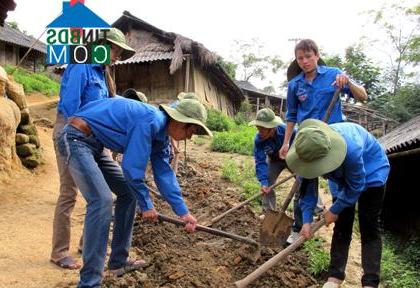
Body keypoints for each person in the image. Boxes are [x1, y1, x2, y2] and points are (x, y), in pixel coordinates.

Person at [57, 97, 211, 287]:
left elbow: (164, 174)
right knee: (102, 201)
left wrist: (183, 212)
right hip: (76, 138)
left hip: (95, 145)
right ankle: (89, 282)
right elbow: (131, 168)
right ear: (179, 122)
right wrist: (146, 205)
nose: (190, 137)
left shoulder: (161, 137)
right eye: (192, 131)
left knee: (128, 194)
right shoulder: (150, 120)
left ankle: (118, 262)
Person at [50, 28, 135, 270]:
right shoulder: (81, 65)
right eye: (115, 49)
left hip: (95, 138)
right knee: (69, 192)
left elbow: (108, 109)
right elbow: (70, 107)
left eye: (119, 51)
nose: (117, 55)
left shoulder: (105, 74)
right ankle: (59, 252)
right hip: (71, 131)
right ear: (100, 45)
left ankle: (89, 244)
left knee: (115, 191)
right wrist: (78, 139)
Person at [285, 119, 390, 288]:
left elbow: (356, 185)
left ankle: (370, 281)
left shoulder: (352, 148)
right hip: (339, 178)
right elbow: (307, 188)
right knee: (342, 225)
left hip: (372, 173)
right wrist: (306, 220)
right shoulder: (306, 150)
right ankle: (335, 276)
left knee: (368, 225)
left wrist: (334, 209)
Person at [250, 108, 320, 243]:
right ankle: (268, 212)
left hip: (292, 159)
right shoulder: (259, 140)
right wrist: (263, 182)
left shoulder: (289, 132)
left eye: (263, 129)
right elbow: (260, 161)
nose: (260, 131)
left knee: (303, 182)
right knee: (268, 182)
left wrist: (300, 166)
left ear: (272, 127)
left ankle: (317, 208)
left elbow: (301, 145)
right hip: (275, 160)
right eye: (258, 128)